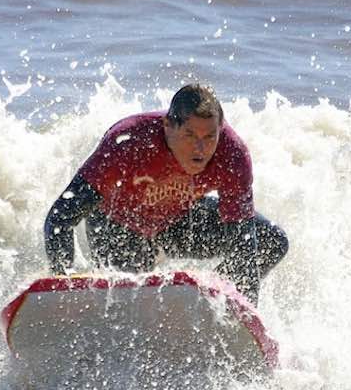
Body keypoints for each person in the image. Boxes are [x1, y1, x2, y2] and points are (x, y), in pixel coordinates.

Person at [44, 84, 288, 305]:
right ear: (168, 127)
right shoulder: (128, 141)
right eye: (190, 136)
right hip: (119, 229)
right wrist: (65, 287)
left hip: (177, 223)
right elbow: (59, 219)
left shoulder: (232, 154)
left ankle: (212, 301)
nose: (201, 149)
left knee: (269, 241)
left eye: (210, 137)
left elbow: (244, 246)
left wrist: (243, 311)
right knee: (129, 307)